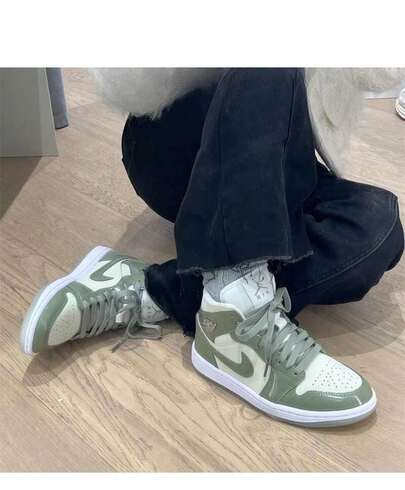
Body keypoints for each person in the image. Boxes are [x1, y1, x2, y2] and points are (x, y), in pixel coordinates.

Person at [20, 69, 404, 427]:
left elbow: (383, 73)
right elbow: (120, 81)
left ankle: (163, 290)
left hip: (281, 157)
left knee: (377, 226)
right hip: (180, 140)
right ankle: (238, 307)